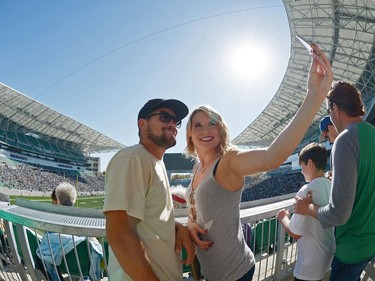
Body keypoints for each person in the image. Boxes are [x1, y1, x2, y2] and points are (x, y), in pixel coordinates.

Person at [183, 44, 333, 281]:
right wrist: (191, 225)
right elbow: (199, 211)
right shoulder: (196, 169)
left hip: (236, 273)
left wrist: (315, 95)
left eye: (212, 123)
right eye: (197, 125)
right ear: (190, 134)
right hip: (210, 273)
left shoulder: (229, 162)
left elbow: (271, 157)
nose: (205, 129)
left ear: (221, 130)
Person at [103, 98, 195, 281]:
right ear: (142, 124)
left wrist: (177, 228)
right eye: (164, 116)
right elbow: (120, 232)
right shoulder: (133, 157)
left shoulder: (155, 162)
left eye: (175, 121)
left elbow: (149, 218)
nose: (172, 124)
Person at [294, 81, 375, 281]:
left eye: (329, 110)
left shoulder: (345, 140)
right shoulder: (371, 133)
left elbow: (338, 214)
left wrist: (309, 209)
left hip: (351, 249)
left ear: (336, 108)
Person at [277, 143, 335, 281]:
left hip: (309, 265)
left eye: (302, 167)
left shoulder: (306, 191)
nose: (301, 171)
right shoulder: (331, 185)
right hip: (328, 256)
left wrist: (283, 217)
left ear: (309, 163)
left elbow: (295, 232)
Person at [37, 182, 103, 281]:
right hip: (81, 270)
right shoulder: (82, 226)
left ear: (58, 200)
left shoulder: (50, 231)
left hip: (58, 269)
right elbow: (96, 248)